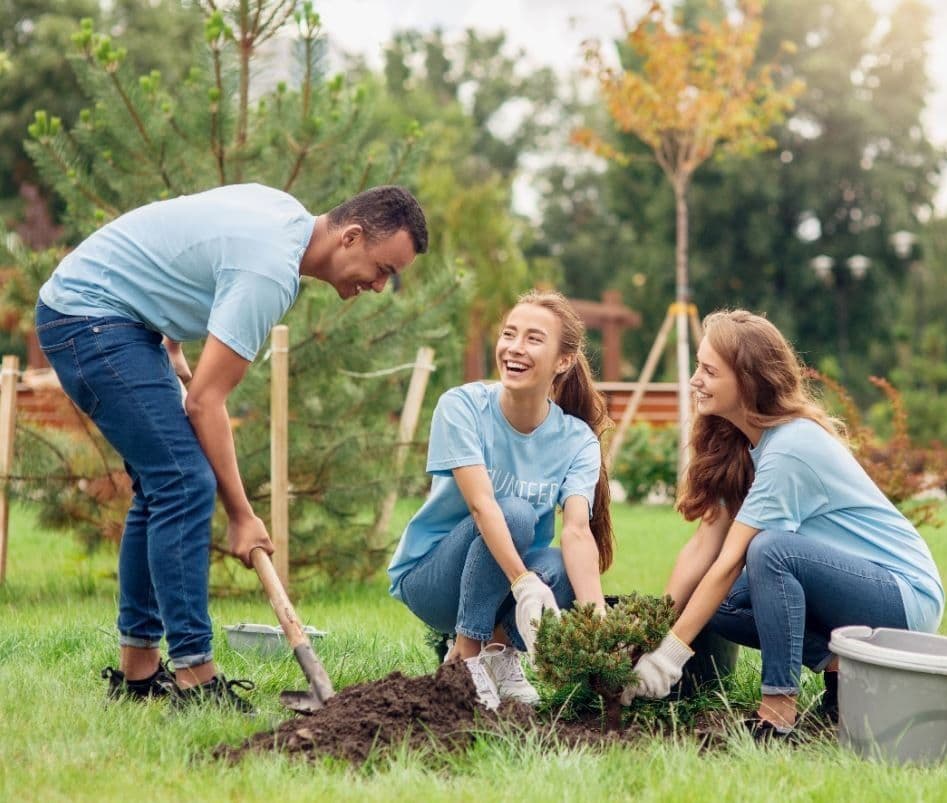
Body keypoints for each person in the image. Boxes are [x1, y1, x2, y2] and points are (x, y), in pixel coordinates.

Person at [35, 183, 428, 709]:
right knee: (183, 481)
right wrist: (242, 517)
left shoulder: (284, 214)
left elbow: (186, 237)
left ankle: (138, 676)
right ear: (351, 236)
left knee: (161, 487)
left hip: (114, 314)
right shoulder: (270, 271)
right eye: (383, 269)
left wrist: (172, 338)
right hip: (91, 316)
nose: (380, 286)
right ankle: (195, 677)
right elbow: (205, 404)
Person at [620, 310, 944, 741]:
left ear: (748, 382)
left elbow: (731, 560)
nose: (695, 379)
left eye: (709, 371)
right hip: (853, 595)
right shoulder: (740, 443)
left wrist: (669, 658)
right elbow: (705, 547)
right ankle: (842, 669)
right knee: (716, 603)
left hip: (903, 598)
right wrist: (647, 633)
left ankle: (777, 708)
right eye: (698, 366)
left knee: (771, 551)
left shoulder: (790, 447)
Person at [387, 290, 613, 709]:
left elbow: (578, 531)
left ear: (563, 361)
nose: (514, 347)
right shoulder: (462, 406)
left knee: (563, 569)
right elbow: (482, 506)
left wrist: (598, 629)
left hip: (501, 580)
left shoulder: (577, 439)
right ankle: (465, 658)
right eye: (509, 334)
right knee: (514, 512)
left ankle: (500, 653)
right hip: (434, 579)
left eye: (533, 338)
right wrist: (524, 582)